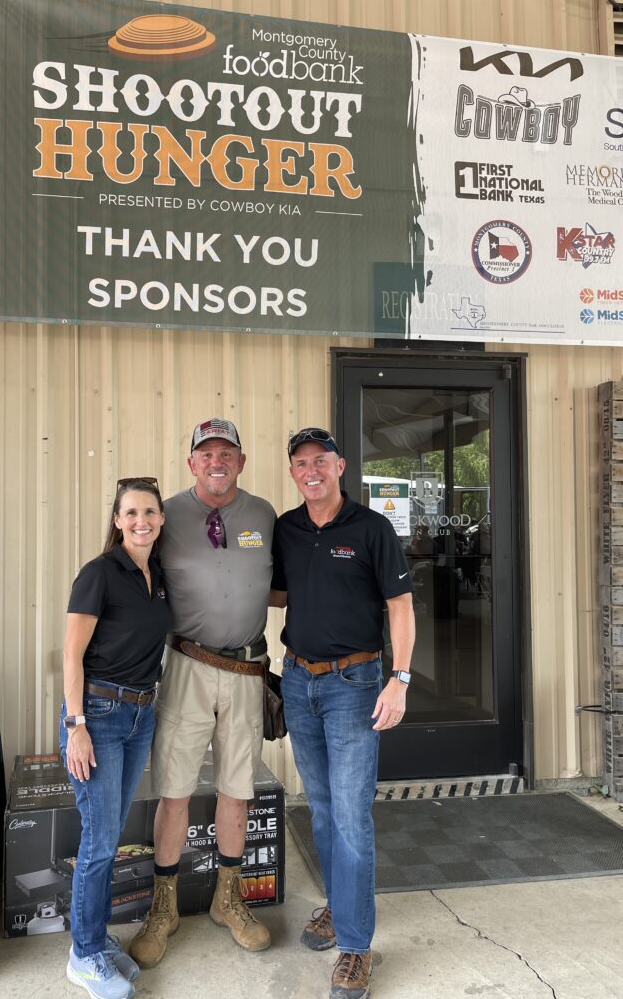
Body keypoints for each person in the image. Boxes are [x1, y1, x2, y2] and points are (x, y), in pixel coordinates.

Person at [271, 427, 415, 999]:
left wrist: (399, 680)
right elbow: (278, 591)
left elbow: (400, 608)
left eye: (321, 461)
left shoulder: (371, 528)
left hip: (355, 683)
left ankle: (356, 947)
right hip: (299, 679)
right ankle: (338, 905)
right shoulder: (286, 528)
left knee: (352, 816)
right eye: (301, 463)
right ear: (292, 472)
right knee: (324, 811)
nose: (311, 470)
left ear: (340, 466)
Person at [129, 418, 276, 968]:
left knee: (237, 788)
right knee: (174, 789)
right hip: (187, 665)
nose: (217, 461)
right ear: (191, 462)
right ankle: (162, 907)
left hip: (245, 670)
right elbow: (131, 576)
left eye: (227, 453)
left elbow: (282, 582)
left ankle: (228, 898)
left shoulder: (263, 515)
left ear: (241, 461)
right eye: (206, 453)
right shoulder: (164, 514)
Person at [60, 477, 170, 999]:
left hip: (140, 716)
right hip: (99, 716)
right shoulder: (100, 573)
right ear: (117, 520)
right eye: (131, 512)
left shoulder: (158, 576)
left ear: (161, 519)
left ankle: (96, 940)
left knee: (108, 834)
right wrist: (76, 725)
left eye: (149, 511)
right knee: (100, 841)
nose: (141, 520)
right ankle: (83, 956)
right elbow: (70, 655)